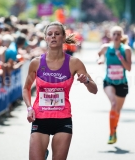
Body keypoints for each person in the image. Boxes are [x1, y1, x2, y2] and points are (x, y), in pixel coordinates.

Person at [23, 21, 97, 160]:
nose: (53, 37)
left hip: (63, 120)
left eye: (57, 34)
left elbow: (94, 90)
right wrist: (29, 108)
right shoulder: (36, 63)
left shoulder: (74, 63)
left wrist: (86, 81)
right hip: (40, 118)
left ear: (63, 37)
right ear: (45, 38)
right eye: (50, 34)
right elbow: (26, 88)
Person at [97, 26, 132, 144]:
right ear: (111, 36)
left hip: (122, 83)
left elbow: (129, 68)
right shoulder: (106, 48)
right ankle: (111, 134)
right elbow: (100, 54)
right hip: (109, 82)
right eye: (114, 34)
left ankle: (114, 129)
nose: (116, 36)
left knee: (118, 110)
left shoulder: (126, 50)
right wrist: (101, 59)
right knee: (113, 103)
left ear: (121, 36)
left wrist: (120, 57)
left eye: (118, 34)